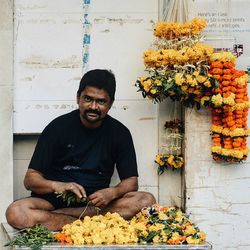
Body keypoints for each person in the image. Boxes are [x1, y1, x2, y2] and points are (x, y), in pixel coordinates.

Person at [6, 69, 156, 231]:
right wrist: (59, 186)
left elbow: (131, 182)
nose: (93, 106)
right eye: (87, 99)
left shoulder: (120, 133)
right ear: (78, 98)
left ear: (110, 103)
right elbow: (30, 180)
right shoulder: (57, 128)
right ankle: (89, 224)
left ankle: (64, 220)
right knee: (16, 212)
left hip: (96, 203)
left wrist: (112, 192)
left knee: (145, 200)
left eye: (101, 101)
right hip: (52, 202)